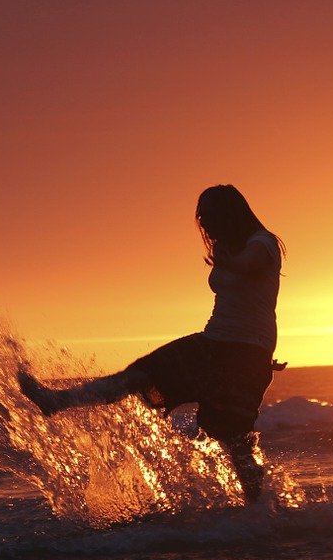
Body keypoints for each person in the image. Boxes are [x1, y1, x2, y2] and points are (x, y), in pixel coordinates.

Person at [17, 184, 284, 502]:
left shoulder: (262, 243)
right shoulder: (231, 248)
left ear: (230, 214)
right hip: (215, 341)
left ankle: (257, 513)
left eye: (210, 215)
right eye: (201, 216)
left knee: (234, 434)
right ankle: (57, 401)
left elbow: (249, 265)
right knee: (138, 375)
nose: (205, 223)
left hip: (244, 351)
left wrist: (256, 357)